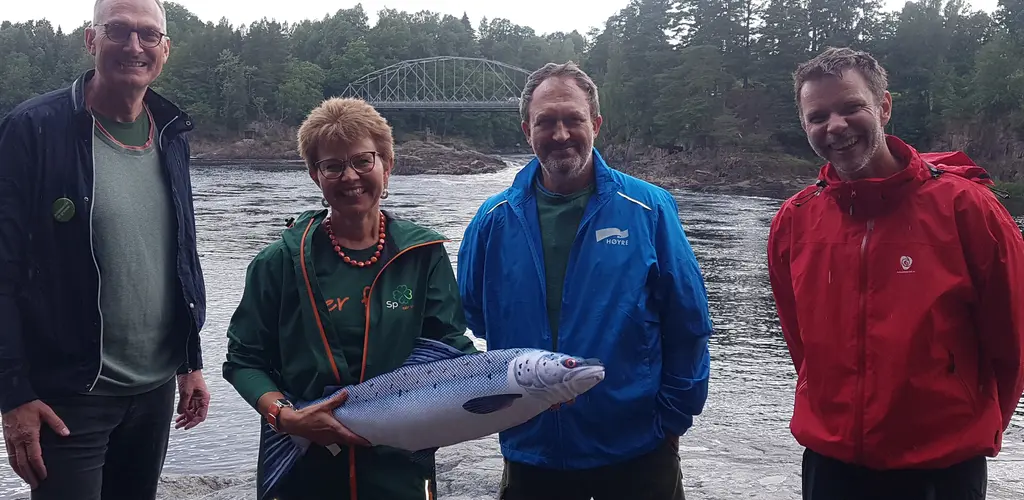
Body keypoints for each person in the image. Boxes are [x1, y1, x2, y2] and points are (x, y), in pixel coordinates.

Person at [767, 46, 1024, 500]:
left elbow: (1012, 341)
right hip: (832, 464)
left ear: (884, 106)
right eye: (818, 116)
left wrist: (968, 426)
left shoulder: (968, 210)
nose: (836, 126)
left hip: (940, 467)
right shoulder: (795, 220)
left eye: (851, 108)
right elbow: (801, 343)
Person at [457, 61, 714, 500]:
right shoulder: (492, 220)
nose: (560, 134)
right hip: (531, 450)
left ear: (595, 123)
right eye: (546, 122)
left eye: (573, 119)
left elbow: (689, 324)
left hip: (638, 451)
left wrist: (673, 419)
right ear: (526, 130)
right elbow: (478, 319)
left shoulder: (649, 209)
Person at [0, 0, 211, 498]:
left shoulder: (170, 133)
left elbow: (179, 255)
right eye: (117, 31)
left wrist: (190, 362)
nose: (134, 46)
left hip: (155, 390)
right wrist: (13, 395)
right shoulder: (33, 130)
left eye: (148, 35)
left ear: (165, 48)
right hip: (70, 396)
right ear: (91, 40)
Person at [222, 96, 478, 500]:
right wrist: (286, 418)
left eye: (363, 161)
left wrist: (526, 393)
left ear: (388, 166)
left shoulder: (423, 255)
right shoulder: (277, 262)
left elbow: (449, 352)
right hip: (304, 476)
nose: (350, 176)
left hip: (401, 470)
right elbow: (243, 361)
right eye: (333, 165)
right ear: (314, 176)